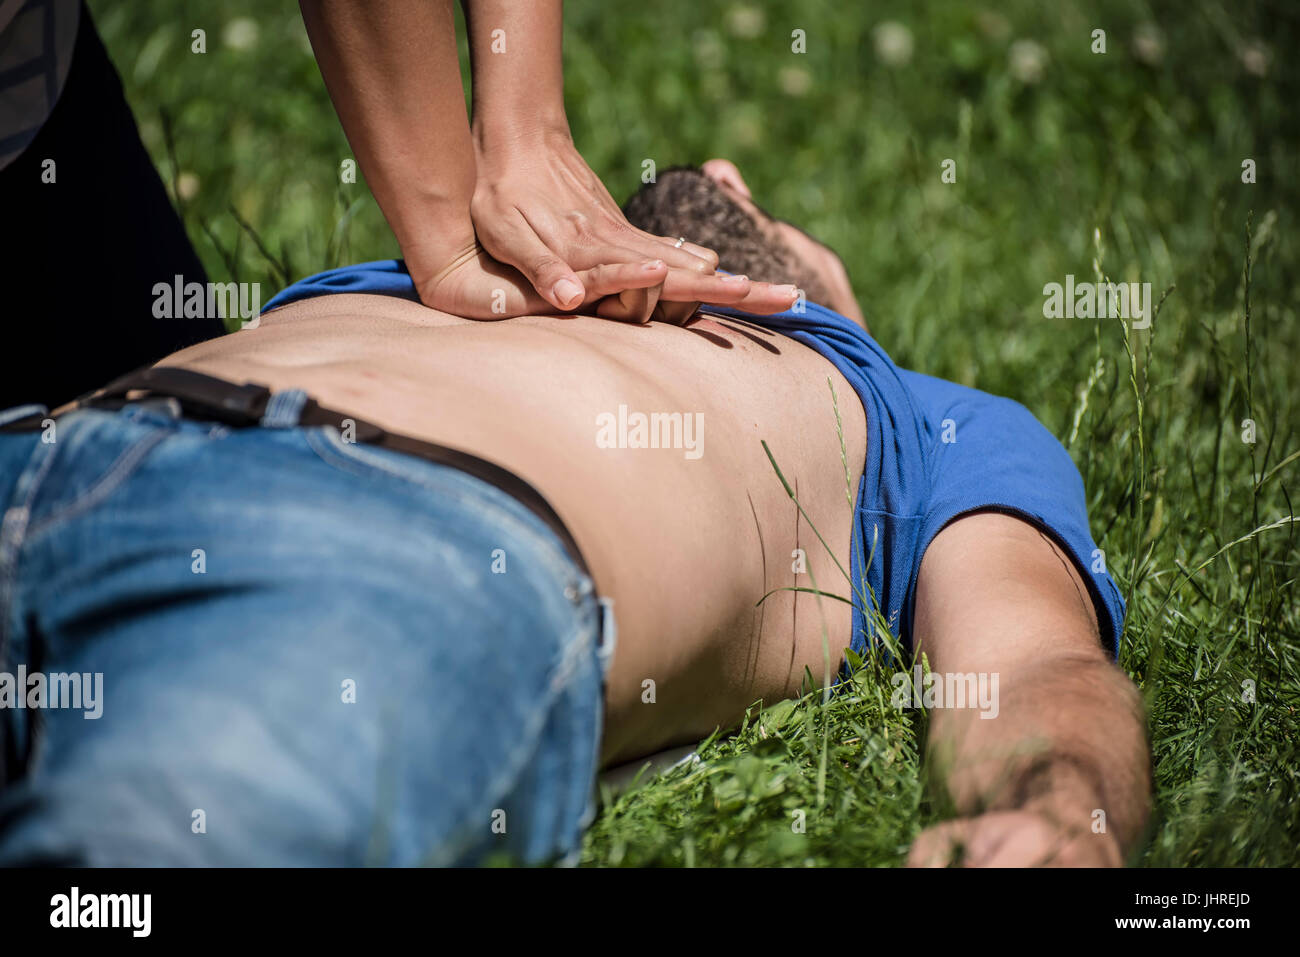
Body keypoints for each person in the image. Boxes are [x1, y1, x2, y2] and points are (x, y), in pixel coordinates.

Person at [0, 158, 1151, 867]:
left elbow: (1025, 666)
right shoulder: (446, 260)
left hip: (381, 549)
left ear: (827, 296)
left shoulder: (912, 412)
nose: (715, 168)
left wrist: (1060, 808)